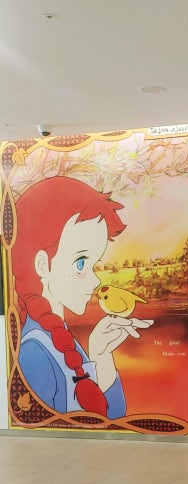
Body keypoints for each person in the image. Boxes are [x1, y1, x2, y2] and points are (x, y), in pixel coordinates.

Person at [12, 176, 153, 418]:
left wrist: (101, 356)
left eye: (94, 264)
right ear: (43, 265)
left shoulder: (61, 338)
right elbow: (71, 429)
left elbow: (111, 420)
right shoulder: (34, 352)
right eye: (80, 263)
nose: (96, 280)